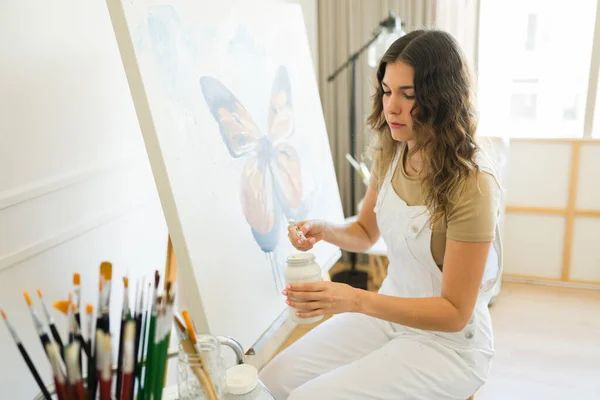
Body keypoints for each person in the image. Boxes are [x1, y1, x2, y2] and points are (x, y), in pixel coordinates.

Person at [259, 29, 503, 399]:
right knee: (273, 379)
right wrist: (324, 229)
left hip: (448, 345)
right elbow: (363, 232)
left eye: (409, 95)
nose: (392, 107)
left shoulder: (474, 183)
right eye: (387, 91)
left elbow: (454, 311)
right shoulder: (393, 151)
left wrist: (355, 300)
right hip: (389, 314)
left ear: (443, 98)